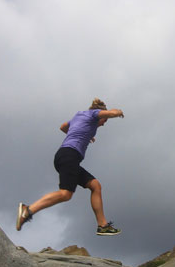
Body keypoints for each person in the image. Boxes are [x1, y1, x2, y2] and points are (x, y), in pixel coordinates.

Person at [16, 98, 124, 236]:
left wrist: (82, 134)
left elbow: (63, 127)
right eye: (104, 121)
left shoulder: (79, 115)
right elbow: (111, 113)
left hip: (65, 156)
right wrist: (118, 112)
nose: (103, 124)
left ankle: (103, 226)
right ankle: (28, 210)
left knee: (95, 186)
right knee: (65, 194)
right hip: (70, 156)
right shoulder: (93, 114)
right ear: (100, 114)